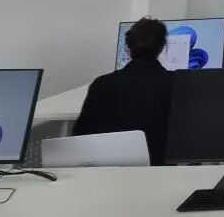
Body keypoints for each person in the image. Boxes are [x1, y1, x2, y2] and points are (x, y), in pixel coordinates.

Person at [74, 17, 174, 165]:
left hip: (107, 170)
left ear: (128, 46)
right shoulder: (177, 85)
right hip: (161, 170)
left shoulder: (101, 84)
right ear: (162, 46)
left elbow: (79, 136)